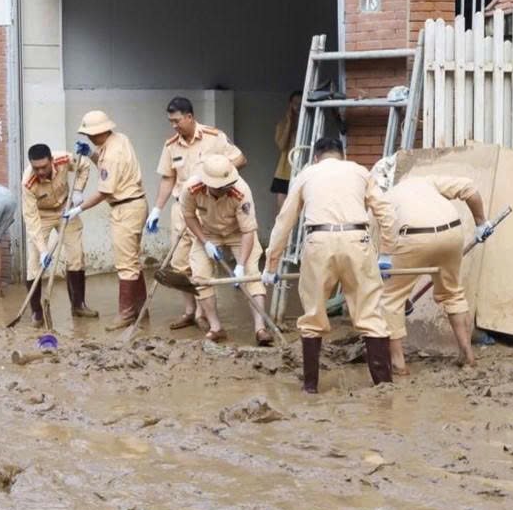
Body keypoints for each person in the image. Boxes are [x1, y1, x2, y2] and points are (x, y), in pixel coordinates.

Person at [262, 137, 398, 393]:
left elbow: (284, 221)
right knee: (370, 314)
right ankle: (383, 388)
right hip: (357, 240)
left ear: (316, 157)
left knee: (313, 315)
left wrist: (271, 266)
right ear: (342, 155)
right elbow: (386, 213)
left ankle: (311, 388)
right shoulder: (359, 171)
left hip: (319, 241)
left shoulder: (306, 174)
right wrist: (387, 253)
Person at [370, 157, 494, 375]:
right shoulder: (426, 182)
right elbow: (470, 188)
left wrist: (391, 284)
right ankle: (467, 353)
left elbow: (376, 251)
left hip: (412, 236)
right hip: (451, 232)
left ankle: (398, 364)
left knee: (390, 299)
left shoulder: (380, 200)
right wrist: (481, 223)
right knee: (453, 292)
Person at [145, 97, 246, 332]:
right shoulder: (171, 145)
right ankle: (190, 311)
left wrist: (216, 177)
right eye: (170, 121)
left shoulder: (214, 137)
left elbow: (240, 158)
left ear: (189, 117)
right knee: (181, 264)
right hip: (181, 209)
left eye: (177, 120)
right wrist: (157, 209)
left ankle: (206, 314)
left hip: (207, 208)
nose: (174, 125)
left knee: (203, 262)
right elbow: (168, 177)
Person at [63, 110, 148, 331]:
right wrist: (92, 155)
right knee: (133, 260)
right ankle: (141, 308)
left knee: (125, 264)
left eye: (90, 134)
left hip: (125, 208)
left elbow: (103, 191)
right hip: (136, 204)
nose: (88, 138)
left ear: (100, 131)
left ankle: (127, 313)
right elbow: (105, 167)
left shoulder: (111, 154)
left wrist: (78, 208)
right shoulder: (120, 139)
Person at [180, 155, 273, 346]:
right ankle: (216, 328)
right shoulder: (191, 188)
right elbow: (189, 216)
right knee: (200, 277)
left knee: (251, 275)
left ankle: (260, 328)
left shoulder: (240, 190)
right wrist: (205, 242)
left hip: (239, 233)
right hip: (207, 233)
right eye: (220, 186)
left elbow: (248, 231)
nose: (225, 188)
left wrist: (239, 266)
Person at [21, 143, 96, 325]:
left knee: (76, 256)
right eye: (36, 168)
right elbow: (31, 221)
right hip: (42, 215)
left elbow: (84, 165)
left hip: (66, 209)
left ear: (52, 161)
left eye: (44, 167)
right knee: (34, 262)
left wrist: (78, 190)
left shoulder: (63, 159)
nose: (40, 172)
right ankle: (37, 312)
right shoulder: (28, 182)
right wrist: (43, 250)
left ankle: (78, 305)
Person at [271, 91, 302, 212]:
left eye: (300, 103)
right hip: (285, 169)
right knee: (282, 204)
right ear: (290, 105)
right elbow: (281, 145)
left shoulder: (309, 122)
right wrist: (290, 123)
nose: (298, 107)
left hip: (303, 166)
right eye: (295, 103)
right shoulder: (283, 124)